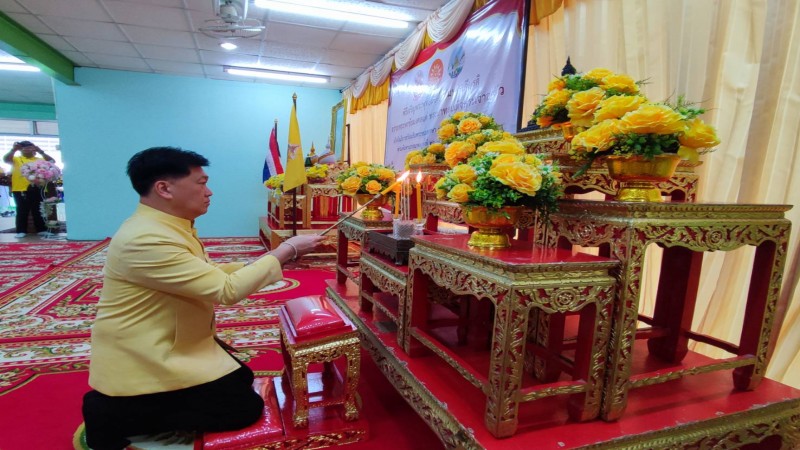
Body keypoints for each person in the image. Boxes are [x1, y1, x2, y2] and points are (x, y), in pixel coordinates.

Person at [81, 146, 325, 450]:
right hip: (145, 351)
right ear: (164, 188)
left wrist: (269, 260)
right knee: (242, 409)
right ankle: (109, 412)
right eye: (200, 183)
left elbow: (206, 274)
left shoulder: (162, 226)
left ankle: (130, 406)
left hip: (173, 341)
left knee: (241, 378)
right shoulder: (147, 238)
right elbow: (226, 291)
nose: (209, 192)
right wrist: (286, 250)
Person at [2, 141, 55, 237]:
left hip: (39, 187)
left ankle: (41, 229)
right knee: (22, 209)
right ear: (20, 149)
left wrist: (41, 151)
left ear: (33, 148)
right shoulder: (16, 159)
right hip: (20, 188)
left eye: (29, 147)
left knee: (38, 209)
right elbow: (6, 160)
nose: (26, 149)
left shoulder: (39, 159)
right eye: (24, 147)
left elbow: (52, 162)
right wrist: (13, 150)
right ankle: (21, 230)